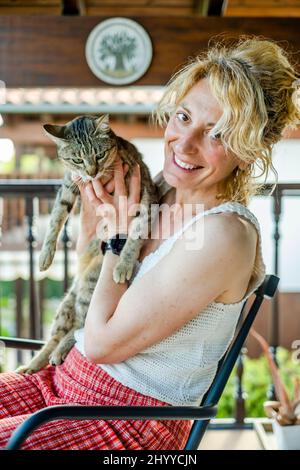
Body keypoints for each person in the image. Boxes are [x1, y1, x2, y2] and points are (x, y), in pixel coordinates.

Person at [0, 35, 299, 450]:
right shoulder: (161, 190)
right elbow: (91, 281)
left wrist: (117, 238)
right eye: (183, 117)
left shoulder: (224, 235)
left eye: (216, 134)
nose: (185, 143)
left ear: (248, 150)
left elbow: (102, 344)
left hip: (125, 421)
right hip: (63, 382)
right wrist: (99, 218)